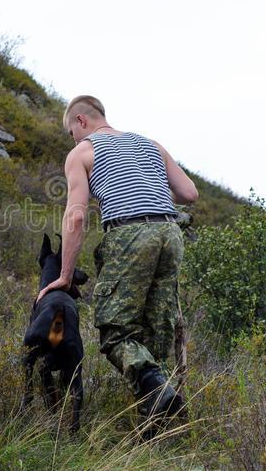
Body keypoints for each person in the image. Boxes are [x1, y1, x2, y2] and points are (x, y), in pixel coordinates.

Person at [37, 94, 198, 421]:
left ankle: (155, 391)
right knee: (155, 338)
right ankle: (158, 429)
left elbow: (76, 217)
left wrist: (65, 276)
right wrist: (148, 189)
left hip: (129, 235)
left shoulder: (83, 151)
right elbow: (189, 194)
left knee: (118, 335)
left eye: (72, 132)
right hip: (170, 233)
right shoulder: (150, 144)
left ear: (81, 121)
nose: (74, 138)